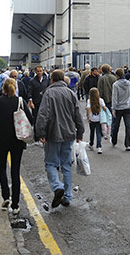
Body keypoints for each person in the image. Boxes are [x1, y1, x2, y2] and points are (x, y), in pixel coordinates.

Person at [36, 70, 85, 208]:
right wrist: (80, 132)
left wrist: (40, 133)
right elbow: (77, 115)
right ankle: (67, 196)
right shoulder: (71, 93)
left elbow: (43, 114)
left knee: (51, 163)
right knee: (66, 165)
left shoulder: (49, 93)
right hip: (69, 133)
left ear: (51, 80)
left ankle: (57, 187)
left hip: (53, 133)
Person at [0, 78, 33, 215]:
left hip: (0, 140)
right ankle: (16, 205)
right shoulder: (20, 101)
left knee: (2, 168)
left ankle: (6, 196)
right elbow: (30, 119)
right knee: (15, 171)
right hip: (17, 140)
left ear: (3, 88)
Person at [111, 68, 130, 150]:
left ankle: (114, 141)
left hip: (118, 108)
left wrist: (113, 108)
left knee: (116, 125)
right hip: (128, 107)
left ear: (117, 75)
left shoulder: (115, 85)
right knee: (128, 126)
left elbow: (114, 97)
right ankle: (128, 144)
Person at [28, 66, 50, 142]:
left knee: (46, 119)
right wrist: (30, 100)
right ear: (35, 72)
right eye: (38, 71)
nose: (39, 72)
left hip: (45, 102)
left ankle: (45, 136)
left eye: (41, 71)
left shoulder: (46, 80)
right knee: (36, 119)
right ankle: (37, 137)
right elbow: (29, 91)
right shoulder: (32, 81)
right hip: (36, 103)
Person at [87, 87, 109, 154]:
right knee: (98, 132)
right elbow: (104, 108)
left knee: (92, 132)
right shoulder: (101, 100)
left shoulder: (89, 101)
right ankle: (99, 147)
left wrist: (88, 117)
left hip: (92, 118)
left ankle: (91, 144)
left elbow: (88, 109)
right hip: (100, 119)